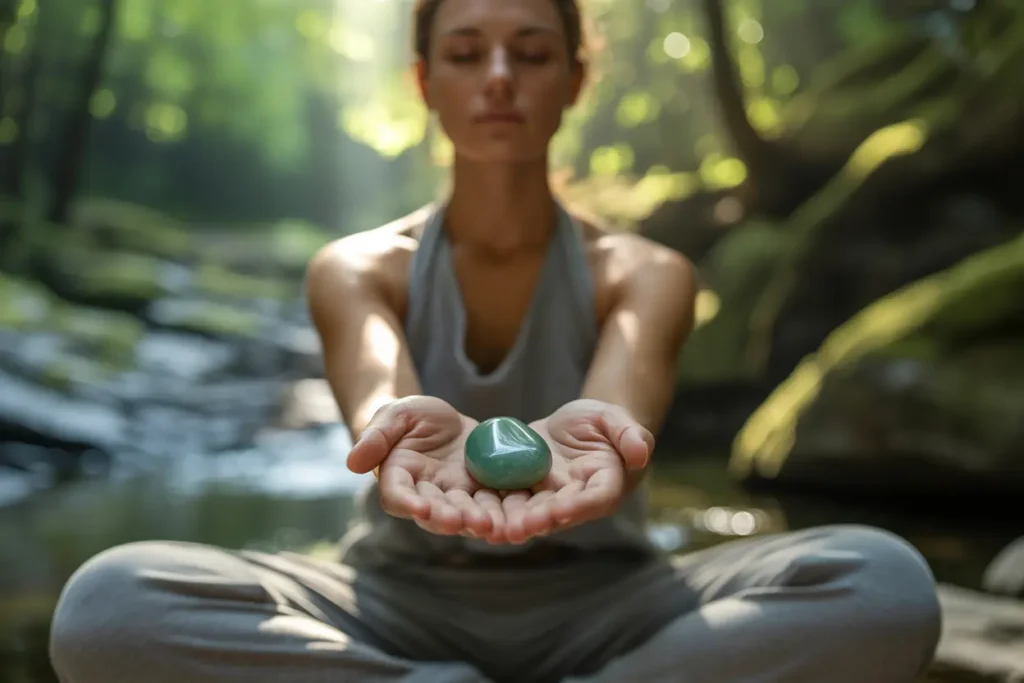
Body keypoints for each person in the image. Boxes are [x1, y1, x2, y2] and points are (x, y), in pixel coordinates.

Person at [47, 0, 942, 681]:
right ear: (425, 81)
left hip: (613, 606)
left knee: (883, 583)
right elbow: (379, 390)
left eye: (533, 52)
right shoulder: (356, 267)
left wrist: (594, 434)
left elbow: (619, 407)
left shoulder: (647, 271)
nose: (501, 77)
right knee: (107, 605)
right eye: (467, 53)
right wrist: (402, 423)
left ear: (576, 79)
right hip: (392, 602)